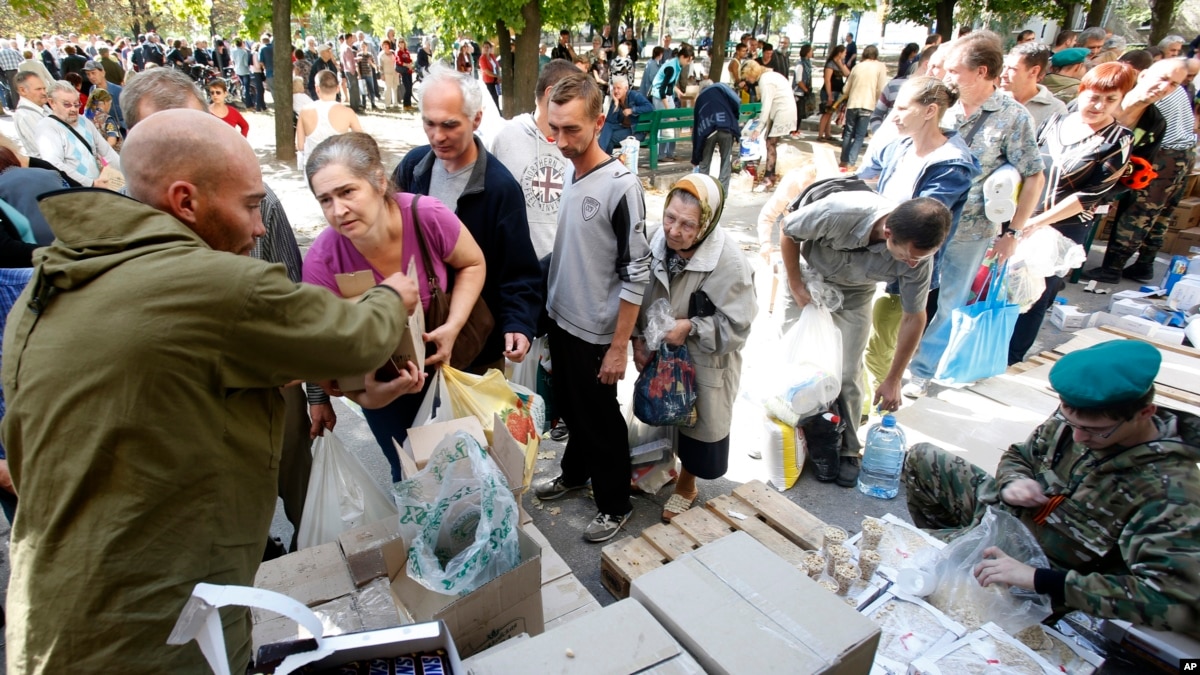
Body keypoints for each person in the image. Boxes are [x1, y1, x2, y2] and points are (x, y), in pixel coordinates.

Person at [2, 107, 420, 673]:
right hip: (162, 630)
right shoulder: (212, 285)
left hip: (54, 614)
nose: (261, 227)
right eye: (250, 205)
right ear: (185, 201)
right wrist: (393, 296)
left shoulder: (56, 282)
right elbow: (356, 338)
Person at [903, 340, 1200, 635]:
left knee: (904, 581)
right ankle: (959, 554)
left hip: (1048, 577)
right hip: (1005, 523)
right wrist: (1014, 481)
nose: (1079, 438)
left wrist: (1039, 579)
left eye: (1096, 431)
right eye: (1071, 422)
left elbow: (1172, 603)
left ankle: (965, 575)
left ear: (1145, 413)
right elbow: (1020, 455)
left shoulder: (1171, 493)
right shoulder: (1077, 418)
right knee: (922, 457)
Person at [303, 132, 486, 482]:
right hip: (386, 398)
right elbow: (324, 364)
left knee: (471, 467)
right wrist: (369, 395)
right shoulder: (322, 262)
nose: (338, 210)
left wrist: (454, 326)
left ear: (378, 180)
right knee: (413, 477)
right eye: (325, 200)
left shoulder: (427, 217)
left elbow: (473, 263)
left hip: (450, 367)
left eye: (347, 192)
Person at [535, 72, 651, 543]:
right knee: (572, 409)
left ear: (600, 122)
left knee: (600, 420)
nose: (560, 141)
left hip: (596, 332)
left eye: (571, 130)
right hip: (563, 320)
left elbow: (636, 273)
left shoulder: (621, 187)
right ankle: (575, 473)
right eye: (554, 128)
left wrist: (619, 347)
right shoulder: (569, 167)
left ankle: (615, 502)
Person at [902, 31, 1045, 399]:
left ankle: (920, 372)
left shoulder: (1012, 117)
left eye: (954, 70)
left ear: (981, 72)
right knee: (904, 294)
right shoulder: (939, 105)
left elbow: (1033, 175)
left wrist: (1012, 232)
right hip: (921, 222)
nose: (946, 76)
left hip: (971, 229)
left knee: (950, 302)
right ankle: (893, 361)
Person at [781, 194, 951, 486]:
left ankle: (847, 447)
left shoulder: (919, 258)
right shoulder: (839, 213)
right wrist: (796, 283)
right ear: (888, 233)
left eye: (920, 258)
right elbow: (788, 230)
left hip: (855, 294)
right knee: (792, 364)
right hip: (808, 277)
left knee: (847, 372)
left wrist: (894, 378)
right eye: (908, 256)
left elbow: (914, 316)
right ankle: (782, 430)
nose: (913, 264)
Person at [391, 63, 541, 373]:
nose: (437, 135)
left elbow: (518, 271)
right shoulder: (412, 168)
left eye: (449, 125)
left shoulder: (501, 188)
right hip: (414, 342)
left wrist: (518, 323)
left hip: (476, 347)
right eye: (429, 124)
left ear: (476, 119)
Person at [633, 174, 755, 523]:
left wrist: (691, 327)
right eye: (670, 217)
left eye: (688, 224)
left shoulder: (729, 262)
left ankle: (687, 484)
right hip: (661, 348)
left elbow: (738, 325)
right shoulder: (656, 240)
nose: (673, 231)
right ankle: (658, 470)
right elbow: (639, 295)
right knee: (659, 411)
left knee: (698, 423)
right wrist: (639, 340)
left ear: (707, 223)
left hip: (705, 354)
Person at [858, 76, 980, 398]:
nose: (893, 115)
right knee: (864, 340)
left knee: (880, 348)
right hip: (877, 255)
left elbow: (922, 219)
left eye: (901, 108)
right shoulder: (899, 146)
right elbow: (864, 177)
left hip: (904, 267)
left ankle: (876, 408)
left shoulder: (952, 165)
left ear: (930, 111)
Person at [1007, 62, 1134, 365]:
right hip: (1022, 217)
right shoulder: (1054, 121)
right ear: (1082, 90)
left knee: (1037, 295)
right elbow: (1028, 167)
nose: (1098, 105)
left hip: (1064, 228)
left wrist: (1037, 222)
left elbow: (1091, 194)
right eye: (1094, 96)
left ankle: (1011, 360)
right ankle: (984, 349)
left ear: (1121, 99)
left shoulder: (1119, 139)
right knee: (1004, 286)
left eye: (1110, 99)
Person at [1084, 59, 1193, 284]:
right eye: (1162, 79)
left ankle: (1114, 268)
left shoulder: (1154, 116)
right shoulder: (1115, 98)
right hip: (1180, 154)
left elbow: (1139, 162)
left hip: (1166, 156)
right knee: (1156, 213)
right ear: (1142, 75)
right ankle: (1143, 264)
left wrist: (1108, 192)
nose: (1164, 88)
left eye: (1173, 84)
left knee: (1140, 212)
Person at [488, 59, 578, 260]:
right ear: (551, 93)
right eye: (574, 95)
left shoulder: (577, 144)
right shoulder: (505, 137)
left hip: (561, 266)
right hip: (513, 268)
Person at [35, 79, 121, 189]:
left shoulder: (84, 121)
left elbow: (107, 152)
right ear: (52, 103)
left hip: (96, 187)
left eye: (76, 104)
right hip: (75, 191)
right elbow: (54, 164)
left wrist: (126, 172)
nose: (73, 109)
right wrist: (90, 183)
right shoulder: (47, 127)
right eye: (67, 105)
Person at [740, 59, 795, 191]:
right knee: (770, 142)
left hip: (782, 111)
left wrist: (758, 128)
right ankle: (770, 175)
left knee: (770, 143)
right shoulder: (769, 76)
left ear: (751, 73)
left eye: (747, 77)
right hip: (782, 110)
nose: (747, 80)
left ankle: (768, 177)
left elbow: (766, 106)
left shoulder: (765, 81)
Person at [297, 70, 362, 166]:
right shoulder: (347, 112)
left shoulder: (305, 111)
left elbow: (300, 145)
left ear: (317, 88)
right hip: (338, 165)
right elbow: (361, 141)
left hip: (313, 167)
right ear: (338, 88)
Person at [839, 45, 889, 169]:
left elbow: (846, 89)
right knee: (860, 135)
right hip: (868, 104)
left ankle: (843, 160)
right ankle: (851, 162)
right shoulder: (880, 67)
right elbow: (881, 88)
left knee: (848, 133)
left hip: (853, 103)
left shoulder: (857, 66)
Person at [1001, 42, 1067, 130]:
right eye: (1004, 67)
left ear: (1034, 71)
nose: (1003, 74)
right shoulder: (995, 99)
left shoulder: (1055, 109)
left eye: (1012, 69)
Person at [691, 81, 742, 194]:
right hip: (726, 127)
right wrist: (734, 117)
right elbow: (737, 101)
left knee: (704, 163)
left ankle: (702, 192)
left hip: (707, 131)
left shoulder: (699, 99)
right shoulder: (721, 87)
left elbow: (696, 130)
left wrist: (695, 158)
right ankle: (722, 193)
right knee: (725, 161)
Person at [649, 44, 694, 162]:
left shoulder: (677, 65)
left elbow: (671, 84)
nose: (688, 63)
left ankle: (670, 152)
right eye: (688, 60)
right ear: (683, 57)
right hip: (660, 97)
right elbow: (661, 89)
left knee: (674, 124)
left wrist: (678, 92)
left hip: (667, 96)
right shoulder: (671, 67)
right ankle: (661, 155)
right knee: (665, 125)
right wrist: (668, 109)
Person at [599, 74, 653, 154]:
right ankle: (603, 157)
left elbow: (650, 107)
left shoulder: (634, 95)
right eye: (614, 88)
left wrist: (632, 110)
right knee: (607, 126)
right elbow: (610, 121)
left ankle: (602, 157)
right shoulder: (616, 99)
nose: (616, 91)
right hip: (623, 128)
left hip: (636, 131)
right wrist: (616, 104)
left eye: (618, 88)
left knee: (609, 137)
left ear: (626, 88)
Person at [817, 44, 849, 142]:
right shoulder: (830, 64)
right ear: (839, 53)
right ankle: (820, 135)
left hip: (837, 91)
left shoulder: (840, 63)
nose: (845, 54)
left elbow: (847, 74)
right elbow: (827, 80)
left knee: (830, 114)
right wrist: (829, 94)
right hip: (829, 91)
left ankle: (827, 134)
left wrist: (839, 63)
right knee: (826, 113)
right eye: (844, 53)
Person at [83, 59, 124, 131]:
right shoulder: (92, 90)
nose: (91, 77)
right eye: (88, 74)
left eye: (93, 73)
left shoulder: (118, 90)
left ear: (103, 72)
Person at [13, 72, 47, 156]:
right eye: (38, 89)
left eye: (44, 88)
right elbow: (46, 148)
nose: (44, 93)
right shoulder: (26, 116)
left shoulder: (42, 106)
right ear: (23, 90)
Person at [341, 33, 363, 113]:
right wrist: (353, 71)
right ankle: (354, 107)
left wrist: (356, 59)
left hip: (348, 70)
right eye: (353, 38)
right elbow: (349, 62)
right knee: (353, 89)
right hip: (350, 71)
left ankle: (356, 106)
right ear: (349, 38)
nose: (353, 40)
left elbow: (350, 59)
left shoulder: (344, 47)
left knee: (353, 88)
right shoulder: (347, 48)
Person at [396, 39, 415, 111]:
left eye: (402, 42)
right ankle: (405, 104)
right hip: (404, 72)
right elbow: (399, 61)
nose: (401, 43)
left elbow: (410, 60)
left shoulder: (407, 52)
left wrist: (411, 65)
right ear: (398, 44)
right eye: (399, 42)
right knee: (407, 88)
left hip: (409, 72)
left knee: (410, 88)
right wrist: (406, 65)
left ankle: (409, 104)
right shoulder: (398, 52)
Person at [380, 39, 399, 109]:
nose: (385, 46)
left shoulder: (393, 52)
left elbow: (396, 61)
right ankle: (387, 104)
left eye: (386, 45)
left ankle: (395, 103)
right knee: (388, 88)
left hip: (394, 72)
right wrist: (382, 74)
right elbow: (380, 66)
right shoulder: (381, 55)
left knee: (395, 87)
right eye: (383, 45)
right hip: (386, 73)